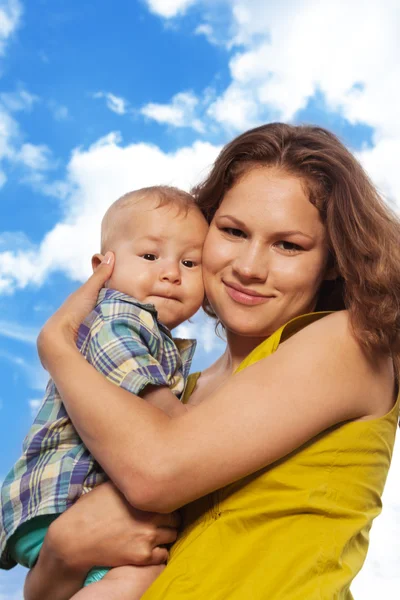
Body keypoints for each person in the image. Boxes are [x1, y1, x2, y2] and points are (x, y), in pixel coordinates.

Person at [25, 123, 400, 600]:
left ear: (332, 260)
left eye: (289, 245)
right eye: (233, 231)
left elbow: (155, 472)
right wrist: (62, 549)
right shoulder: (179, 390)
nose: (248, 266)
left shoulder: (346, 342)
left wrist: (58, 347)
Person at [0, 186, 209, 599]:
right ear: (103, 266)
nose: (171, 273)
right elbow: (137, 380)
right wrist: (194, 430)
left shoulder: (154, 334)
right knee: (137, 581)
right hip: (69, 497)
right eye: (150, 256)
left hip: (68, 507)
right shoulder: (118, 315)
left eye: (189, 262)